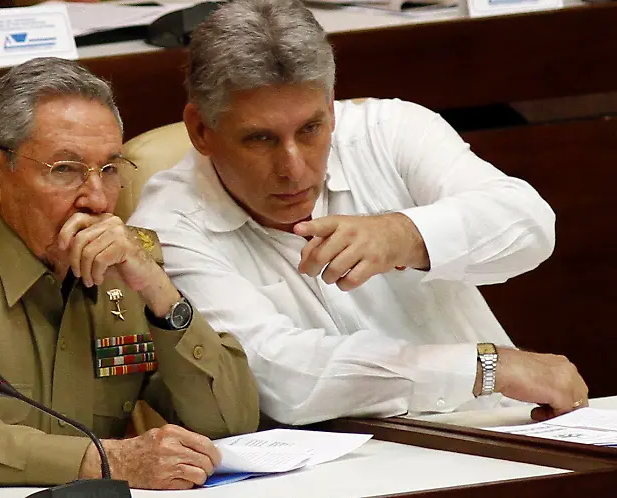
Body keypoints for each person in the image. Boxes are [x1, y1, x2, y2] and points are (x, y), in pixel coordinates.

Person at [129, 0, 588, 427]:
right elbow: (277, 376)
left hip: (500, 424)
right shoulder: (168, 225)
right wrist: (484, 366)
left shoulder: (389, 131)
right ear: (200, 130)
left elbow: (530, 225)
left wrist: (405, 234)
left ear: (331, 109)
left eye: (311, 129)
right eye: (260, 139)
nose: (293, 167)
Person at [0, 57, 259, 488]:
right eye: (66, 170)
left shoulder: (127, 267)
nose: (98, 200)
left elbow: (232, 422)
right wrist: (108, 460)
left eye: (110, 169)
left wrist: (162, 297)